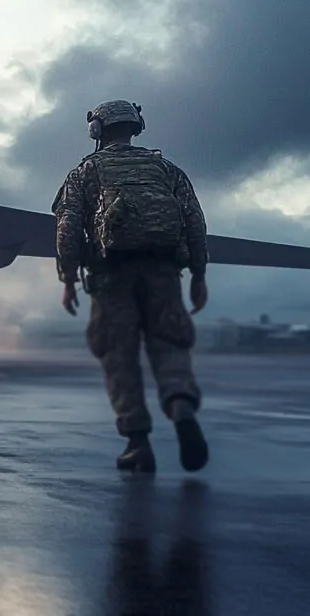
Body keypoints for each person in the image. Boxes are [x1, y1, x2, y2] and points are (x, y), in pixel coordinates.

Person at [53, 100, 210, 474]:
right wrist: (200, 276)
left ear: (97, 131)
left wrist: (69, 280)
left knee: (119, 358)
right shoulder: (166, 169)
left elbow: (68, 227)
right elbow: (194, 222)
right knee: (170, 346)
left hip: (112, 277)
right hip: (164, 273)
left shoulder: (86, 172)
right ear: (136, 126)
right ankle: (181, 406)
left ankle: (138, 445)